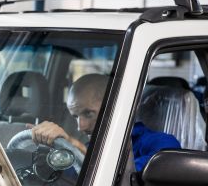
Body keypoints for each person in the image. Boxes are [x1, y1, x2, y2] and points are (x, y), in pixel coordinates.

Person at [30, 73, 181, 171]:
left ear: (115, 107)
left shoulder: (164, 144)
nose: (80, 126)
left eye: (88, 113)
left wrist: (76, 147)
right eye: (75, 116)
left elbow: (128, 178)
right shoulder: (92, 147)